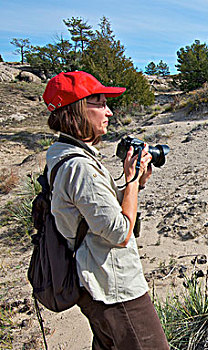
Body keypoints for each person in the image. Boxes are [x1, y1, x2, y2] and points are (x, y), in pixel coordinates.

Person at [42, 71, 169, 349]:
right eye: (99, 103)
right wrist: (133, 181)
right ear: (75, 110)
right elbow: (120, 232)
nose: (109, 112)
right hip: (113, 288)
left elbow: (92, 215)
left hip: (95, 283)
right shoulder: (79, 167)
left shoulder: (63, 156)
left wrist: (134, 184)